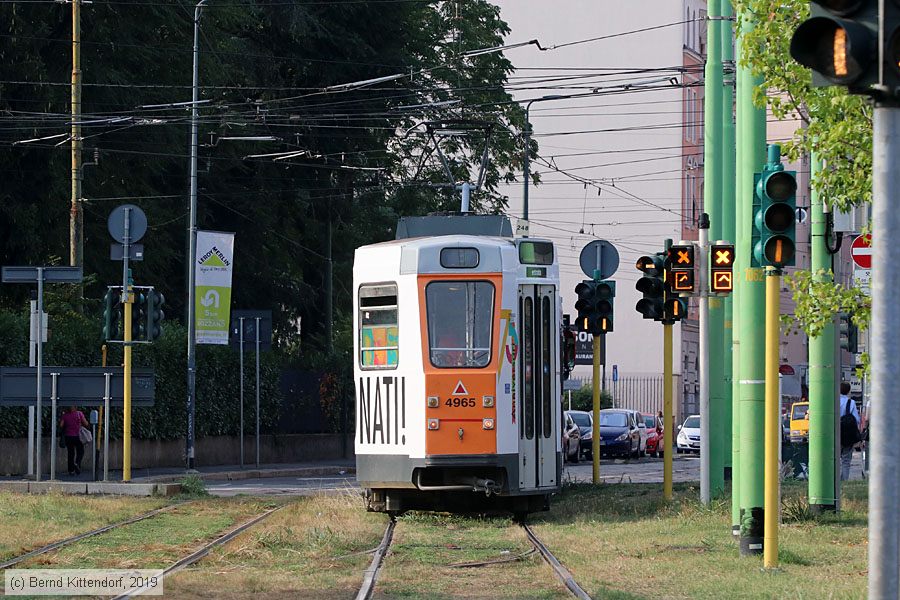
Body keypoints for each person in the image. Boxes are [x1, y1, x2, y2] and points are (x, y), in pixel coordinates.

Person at [839, 382, 860, 481]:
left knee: (833, 459)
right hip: (847, 435)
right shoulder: (851, 403)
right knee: (846, 460)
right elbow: (856, 419)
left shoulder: (831, 400)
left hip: (834, 434)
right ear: (848, 391)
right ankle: (844, 480)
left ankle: (834, 480)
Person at [59, 406, 89, 476]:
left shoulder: (65, 415)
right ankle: (77, 463)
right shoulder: (79, 414)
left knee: (70, 453)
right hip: (78, 437)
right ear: (75, 407)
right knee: (80, 451)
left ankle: (71, 470)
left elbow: (61, 425)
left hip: (68, 437)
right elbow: (86, 423)